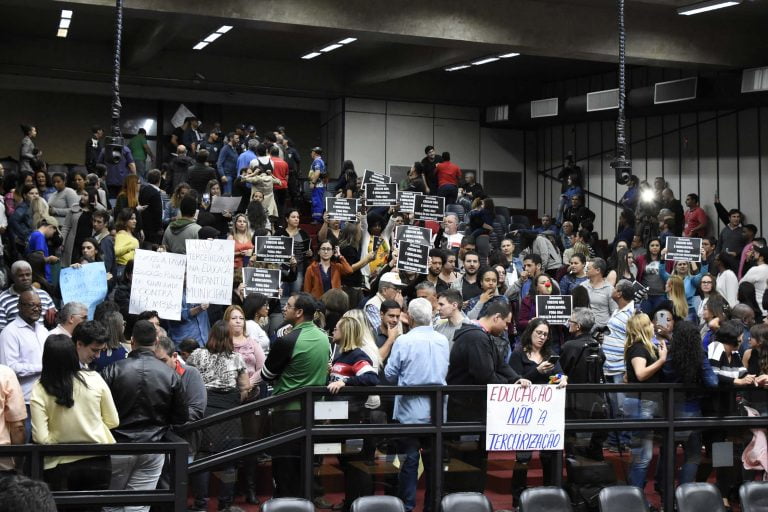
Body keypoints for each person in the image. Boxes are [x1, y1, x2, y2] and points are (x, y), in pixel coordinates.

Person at [100, 320, 188, 512]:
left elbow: (99, 411)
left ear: (132, 341)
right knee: (138, 506)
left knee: (110, 504)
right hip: (153, 447)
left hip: (117, 445)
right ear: (156, 342)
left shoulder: (113, 369)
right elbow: (181, 417)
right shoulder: (170, 374)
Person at [446, 300, 530, 494]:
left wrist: (517, 379)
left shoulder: (482, 336)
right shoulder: (476, 337)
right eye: (506, 323)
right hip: (466, 411)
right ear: (496, 317)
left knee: (475, 460)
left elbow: (500, 365)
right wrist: (509, 386)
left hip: (472, 408)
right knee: (468, 462)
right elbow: (484, 374)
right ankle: (466, 499)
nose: (507, 328)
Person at [30, 335, 119, 500]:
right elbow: (113, 421)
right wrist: (91, 427)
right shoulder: (94, 378)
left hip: (58, 465)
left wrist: (60, 438)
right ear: (73, 354)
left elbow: (40, 438)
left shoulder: (40, 387)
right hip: (98, 460)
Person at [260, 293, 330, 498]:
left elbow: (266, 375)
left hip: (287, 412)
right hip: (314, 412)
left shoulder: (287, 340)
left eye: (289, 306)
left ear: (299, 312)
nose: (284, 308)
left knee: (284, 469)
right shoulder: (324, 338)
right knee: (306, 467)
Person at [384, 298, 449, 512]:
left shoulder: (404, 341)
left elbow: (390, 374)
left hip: (409, 412)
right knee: (433, 464)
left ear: (409, 318)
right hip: (436, 411)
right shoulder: (442, 340)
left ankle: (407, 507)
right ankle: (432, 507)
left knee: (410, 462)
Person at [185, 320, 249, 512]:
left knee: (203, 458)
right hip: (229, 412)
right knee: (230, 461)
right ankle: (225, 504)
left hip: (204, 410)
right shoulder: (237, 358)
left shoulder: (197, 354)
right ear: (229, 338)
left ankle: (201, 504)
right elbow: (245, 387)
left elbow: (185, 378)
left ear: (211, 335)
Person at [509, 319, 567, 505]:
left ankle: (550, 496)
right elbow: (514, 382)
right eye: (539, 333)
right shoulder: (518, 355)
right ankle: (518, 499)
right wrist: (537, 371)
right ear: (530, 333)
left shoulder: (550, 355)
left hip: (546, 412)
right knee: (523, 456)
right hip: (524, 413)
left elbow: (556, 376)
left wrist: (562, 378)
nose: (542, 337)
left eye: (545, 334)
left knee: (549, 456)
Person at [327, 315, 379, 511]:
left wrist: (345, 382)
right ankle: (351, 502)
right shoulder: (341, 355)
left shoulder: (357, 355)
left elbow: (371, 378)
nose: (333, 331)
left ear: (346, 332)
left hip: (352, 419)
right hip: (339, 419)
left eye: (337, 328)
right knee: (346, 464)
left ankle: (361, 505)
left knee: (356, 465)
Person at [660, 321, 717, 486]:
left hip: (669, 410)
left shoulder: (668, 354)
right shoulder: (699, 355)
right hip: (692, 410)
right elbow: (712, 382)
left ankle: (664, 492)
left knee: (668, 454)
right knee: (692, 456)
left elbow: (662, 377)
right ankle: (683, 492)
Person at [623, 313, 667, 491]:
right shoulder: (638, 348)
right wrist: (661, 360)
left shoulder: (643, 347)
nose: (653, 326)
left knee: (641, 454)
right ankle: (635, 497)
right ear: (642, 328)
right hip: (641, 402)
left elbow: (628, 377)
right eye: (649, 323)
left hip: (643, 401)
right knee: (643, 456)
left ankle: (635, 494)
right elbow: (640, 374)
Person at [0, 288, 48, 438]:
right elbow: (10, 369)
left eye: (39, 306)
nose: (36, 309)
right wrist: (42, 367)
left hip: (45, 397)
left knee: (44, 444)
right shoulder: (10, 332)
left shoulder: (43, 330)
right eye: (31, 305)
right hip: (24, 400)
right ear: (19, 306)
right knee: (26, 445)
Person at [560, 308, 607, 460]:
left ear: (578, 326)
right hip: (594, 400)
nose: (568, 323)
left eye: (571, 321)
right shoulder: (596, 345)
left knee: (572, 442)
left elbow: (560, 370)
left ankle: (574, 468)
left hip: (572, 401)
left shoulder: (569, 346)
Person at [0, 261, 56, 331]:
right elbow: (1, 329)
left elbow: (55, 320)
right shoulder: (3, 299)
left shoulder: (44, 295)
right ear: (13, 277)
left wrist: (53, 316)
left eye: (28, 275)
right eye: (21, 275)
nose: (25, 278)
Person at [580, 257, 617, 330]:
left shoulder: (609, 289)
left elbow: (614, 312)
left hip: (603, 331)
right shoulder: (582, 286)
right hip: (585, 330)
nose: (586, 270)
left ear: (598, 270)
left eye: (588, 268)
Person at [113, 208, 139, 280]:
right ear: (125, 221)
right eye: (132, 219)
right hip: (123, 268)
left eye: (135, 219)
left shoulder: (132, 234)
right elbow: (116, 251)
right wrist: (131, 246)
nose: (135, 221)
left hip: (132, 268)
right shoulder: (121, 234)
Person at [308, 146, 327, 223]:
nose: (311, 153)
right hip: (319, 185)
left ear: (315, 153)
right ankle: (316, 218)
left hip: (318, 185)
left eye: (312, 152)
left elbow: (317, 172)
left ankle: (317, 219)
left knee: (317, 201)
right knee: (317, 201)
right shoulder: (319, 161)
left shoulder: (317, 161)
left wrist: (313, 182)